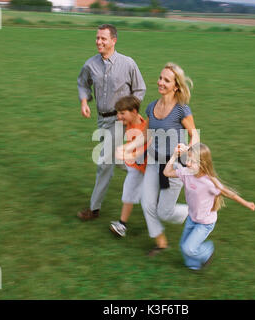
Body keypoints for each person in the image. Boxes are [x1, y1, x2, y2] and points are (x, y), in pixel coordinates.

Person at [117, 62, 199, 256]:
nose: (160, 82)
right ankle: (161, 242)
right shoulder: (152, 106)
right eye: (160, 78)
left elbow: (194, 134)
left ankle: (196, 211)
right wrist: (126, 147)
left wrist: (188, 149)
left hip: (174, 166)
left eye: (166, 80)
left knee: (164, 212)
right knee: (147, 204)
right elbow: (146, 135)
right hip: (154, 162)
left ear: (176, 86)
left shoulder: (182, 110)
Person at [77, 24, 146, 221]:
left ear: (113, 40)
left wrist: (130, 115)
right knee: (120, 160)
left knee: (104, 162)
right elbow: (82, 83)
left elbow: (139, 89)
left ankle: (94, 209)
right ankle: (146, 175)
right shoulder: (90, 65)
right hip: (102, 119)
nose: (99, 42)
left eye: (103, 39)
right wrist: (84, 102)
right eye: (97, 38)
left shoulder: (128, 63)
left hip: (121, 121)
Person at [164, 143, 255, 271]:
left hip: (205, 223)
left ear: (203, 164)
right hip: (192, 218)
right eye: (188, 159)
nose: (189, 163)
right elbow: (167, 172)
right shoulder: (186, 173)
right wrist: (174, 156)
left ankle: (207, 251)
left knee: (189, 248)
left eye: (193, 161)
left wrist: (246, 203)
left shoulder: (209, 183)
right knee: (183, 246)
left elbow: (229, 193)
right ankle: (193, 266)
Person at [110, 95, 148, 237]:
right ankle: (122, 224)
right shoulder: (132, 122)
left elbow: (143, 154)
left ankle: (188, 212)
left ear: (134, 112)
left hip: (143, 169)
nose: (119, 117)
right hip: (137, 168)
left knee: (134, 195)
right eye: (118, 113)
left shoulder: (142, 128)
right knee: (131, 193)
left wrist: (124, 154)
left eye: (122, 113)